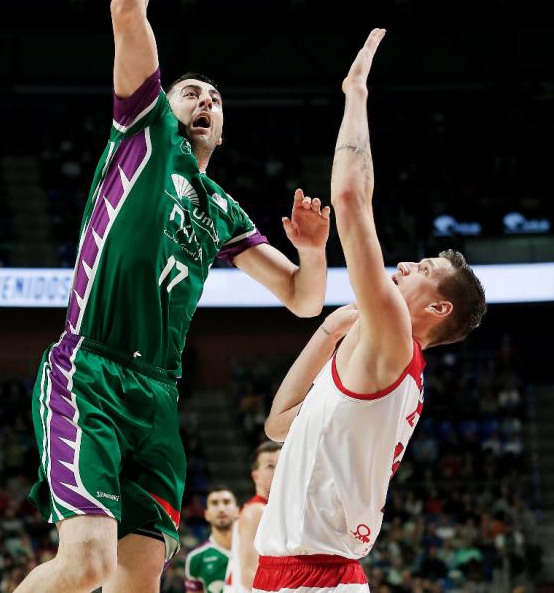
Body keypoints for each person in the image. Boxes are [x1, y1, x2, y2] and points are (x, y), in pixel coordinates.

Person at [16, 0, 331, 593]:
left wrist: (316, 247)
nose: (205, 100)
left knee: (136, 579)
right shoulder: (142, 134)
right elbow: (129, 11)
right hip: (87, 367)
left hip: (158, 393)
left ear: (221, 129)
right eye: (194, 88)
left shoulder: (223, 208)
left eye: (217, 98)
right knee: (84, 562)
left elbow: (301, 299)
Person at [254, 29, 487, 593]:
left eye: (424, 268)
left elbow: (353, 199)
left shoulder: (395, 340)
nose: (407, 265)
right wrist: (333, 324)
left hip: (318, 577)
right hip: (286, 571)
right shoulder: (372, 351)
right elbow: (280, 425)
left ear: (436, 305)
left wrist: (354, 94)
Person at [224, 441, 280, 593]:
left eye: (282, 463)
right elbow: (248, 575)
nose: (278, 470)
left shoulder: (270, 508)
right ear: (256, 476)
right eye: (270, 466)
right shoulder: (256, 511)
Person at [185, 486, 239, 593]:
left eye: (227, 502)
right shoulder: (195, 558)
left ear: (238, 511)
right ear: (207, 514)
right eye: (214, 503)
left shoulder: (255, 550)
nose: (221, 509)